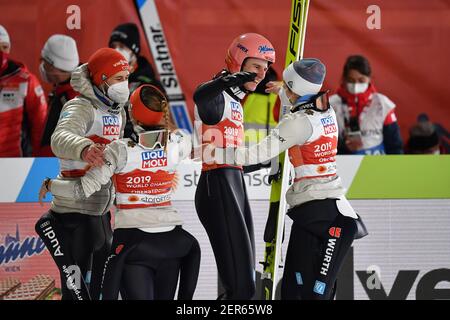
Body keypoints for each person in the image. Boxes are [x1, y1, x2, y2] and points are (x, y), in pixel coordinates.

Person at [210, 59, 368, 300]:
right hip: (311, 212)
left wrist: (213, 154)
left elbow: (258, 153)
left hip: (329, 218)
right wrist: (284, 91)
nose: (285, 90)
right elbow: (299, 103)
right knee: (293, 292)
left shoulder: (297, 123)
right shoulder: (326, 109)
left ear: (294, 88)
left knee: (314, 296)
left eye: (288, 87)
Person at [40, 84, 200, 300]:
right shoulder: (178, 144)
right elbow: (189, 150)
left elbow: (81, 189)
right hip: (174, 243)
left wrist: (51, 185)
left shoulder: (120, 150)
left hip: (135, 245)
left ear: (131, 114)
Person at [35, 48, 129, 300]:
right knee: (76, 294)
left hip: (100, 211)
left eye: (126, 77)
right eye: (118, 78)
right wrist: (84, 147)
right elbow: (59, 138)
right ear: (102, 79)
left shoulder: (117, 110)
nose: (125, 85)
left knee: (98, 291)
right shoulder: (81, 106)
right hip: (74, 213)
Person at [193, 33, 276, 299]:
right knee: (241, 288)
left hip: (233, 184)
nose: (262, 74)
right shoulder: (217, 95)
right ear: (238, 62)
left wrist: (267, 163)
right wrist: (227, 79)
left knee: (244, 286)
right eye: (255, 67)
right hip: (216, 188)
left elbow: (233, 156)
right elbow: (200, 95)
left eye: (265, 69)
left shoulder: (234, 99)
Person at [329, 55, 403, 155]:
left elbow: (394, 144)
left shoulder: (382, 103)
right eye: (351, 80)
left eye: (361, 80)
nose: (355, 85)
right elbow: (325, 143)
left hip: (377, 165)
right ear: (344, 79)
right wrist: (343, 146)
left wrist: (396, 167)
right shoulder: (332, 104)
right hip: (344, 165)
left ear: (369, 78)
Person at [109, 22, 166, 138]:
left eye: (121, 47)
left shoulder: (149, 84)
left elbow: (157, 122)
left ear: (134, 50)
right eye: (113, 46)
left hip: (138, 145)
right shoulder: (104, 78)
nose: (116, 50)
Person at [0, 24, 48, 157]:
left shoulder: (26, 80)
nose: (1, 52)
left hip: (15, 162)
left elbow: (40, 125)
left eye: (4, 47)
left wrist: (38, 159)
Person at [39, 34, 80, 156]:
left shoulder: (73, 99)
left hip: (53, 168)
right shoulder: (64, 89)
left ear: (53, 66)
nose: (42, 66)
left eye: (44, 62)